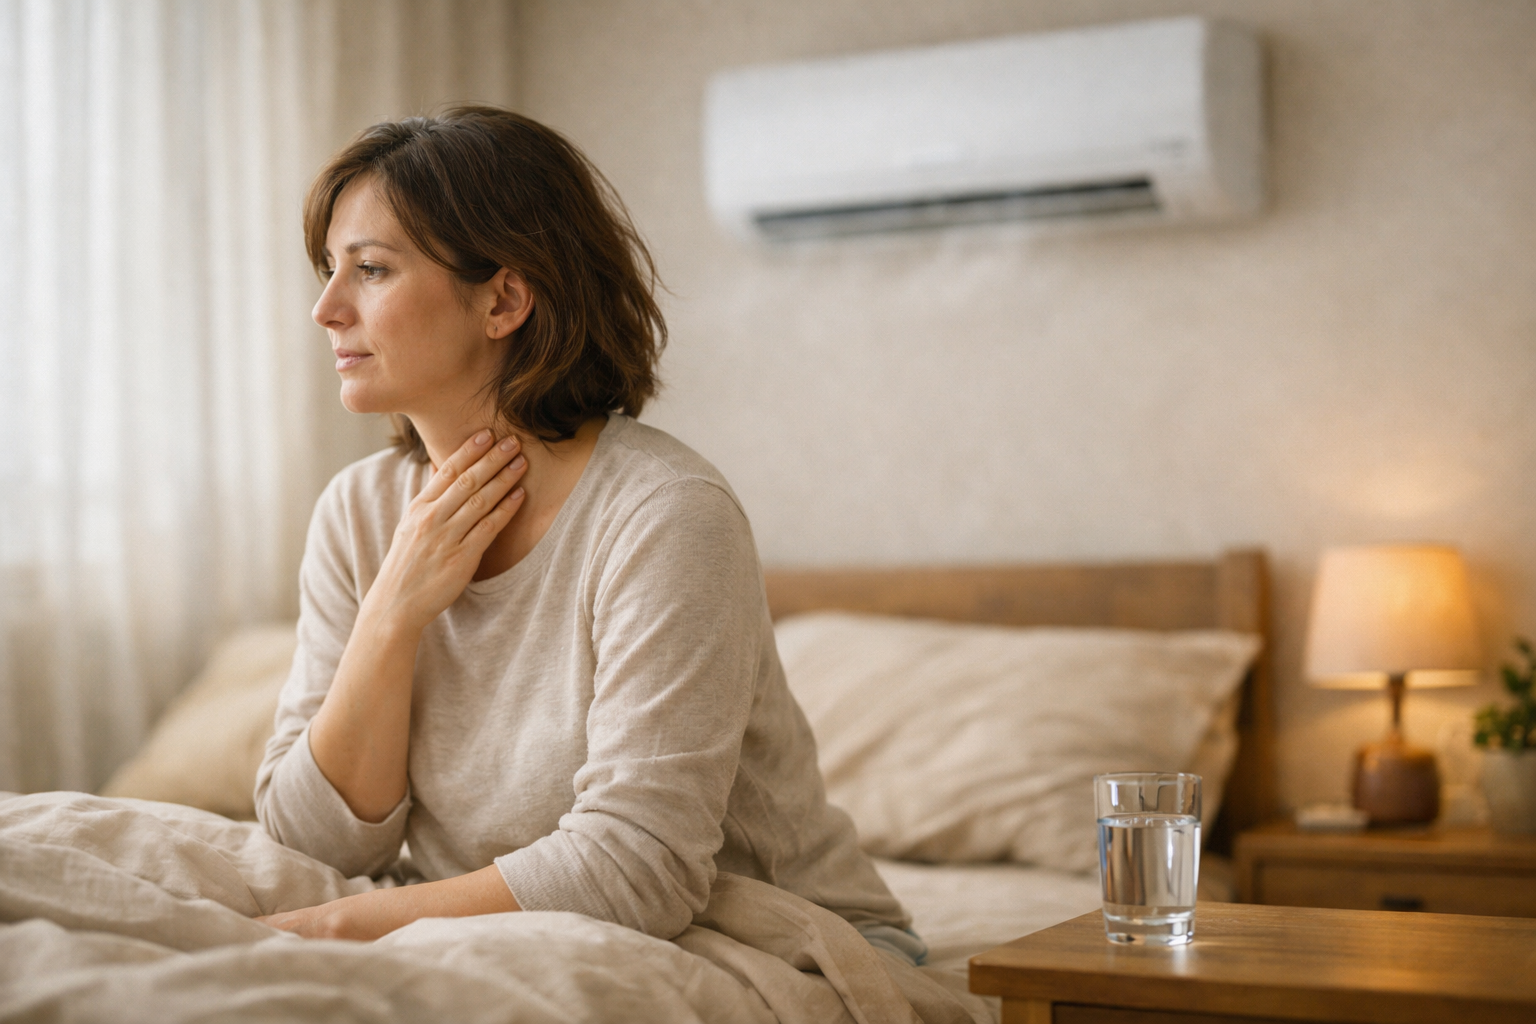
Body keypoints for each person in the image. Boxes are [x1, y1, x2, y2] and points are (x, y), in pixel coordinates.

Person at [252, 106, 916, 959]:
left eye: (370, 270)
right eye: (329, 269)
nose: (326, 310)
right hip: (502, 935)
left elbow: (640, 868)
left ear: (504, 299)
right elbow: (316, 844)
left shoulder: (666, 514)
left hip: (763, 938)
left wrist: (341, 925)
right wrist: (392, 613)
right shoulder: (358, 512)